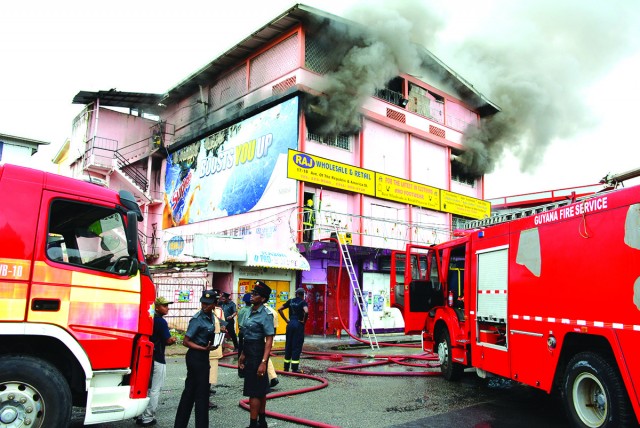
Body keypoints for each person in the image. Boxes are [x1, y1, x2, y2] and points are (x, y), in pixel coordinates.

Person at [174, 289, 224, 428]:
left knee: (191, 392)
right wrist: (203, 348)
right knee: (201, 394)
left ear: (215, 303)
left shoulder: (211, 317)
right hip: (196, 357)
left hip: (203, 356)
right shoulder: (198, 319)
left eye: (208, 304)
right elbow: (186, 341)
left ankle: (181, 424)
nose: (205, 306)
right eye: (203, 303)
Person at [238, 281, 275, 428]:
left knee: (255, 391)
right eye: (252, 293)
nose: (252, 296)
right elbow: (246, 335)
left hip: (258, 352)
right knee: (259, 390)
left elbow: (269, 339)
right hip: (249, 350)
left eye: (256, 294)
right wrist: (242, 354)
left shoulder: (266, 315)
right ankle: (262, 422)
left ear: (263, 299)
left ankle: (254, 424)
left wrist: (264, 362)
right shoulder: (248, 311)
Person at [136, 296, 177, 427]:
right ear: (157, 307)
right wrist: (173, 339)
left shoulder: (148, 319)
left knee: (144, 387)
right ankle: (148, 417)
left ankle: (139, 414)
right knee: (155, 389)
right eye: (164, 306)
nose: (167, 308)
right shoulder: (161, 322)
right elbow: (168, 340)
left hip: (145, 357)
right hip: (157, 357)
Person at [278, 288, 309, 373]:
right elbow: (306, 311)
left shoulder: (290, 301)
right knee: (297, 345)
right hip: (298, 324)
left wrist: (286, 320)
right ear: (303, 295)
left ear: (296, 294)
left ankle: (286, 367)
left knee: (288, 345)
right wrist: (303, 321)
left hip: (290, 324)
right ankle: (295, 368)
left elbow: (279, 309)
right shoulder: (303, 302)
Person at [208, 292, 227, 408]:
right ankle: (204, 398)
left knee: (212, 372)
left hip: (216, 345)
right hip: (205, 346)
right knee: (205, 373)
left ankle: (208, 391)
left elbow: (223, 326)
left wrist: (223, 341)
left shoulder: (219, 311)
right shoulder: (201, 312)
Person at [263, 303, 280, 388]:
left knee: (263, 359)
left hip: (261, 338)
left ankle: (272, 377)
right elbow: (275, 328)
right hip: (270, 338)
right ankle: (272, 378)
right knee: (266, 358)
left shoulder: (260, 311)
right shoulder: (273, 311)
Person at [237, 292, 252, 377]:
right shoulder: (250, 310)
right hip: (247, 332)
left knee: (240, 351)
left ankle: (240, 371)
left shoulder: (241, 310)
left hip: (241, 331)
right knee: (246, 352)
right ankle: (245, 370)